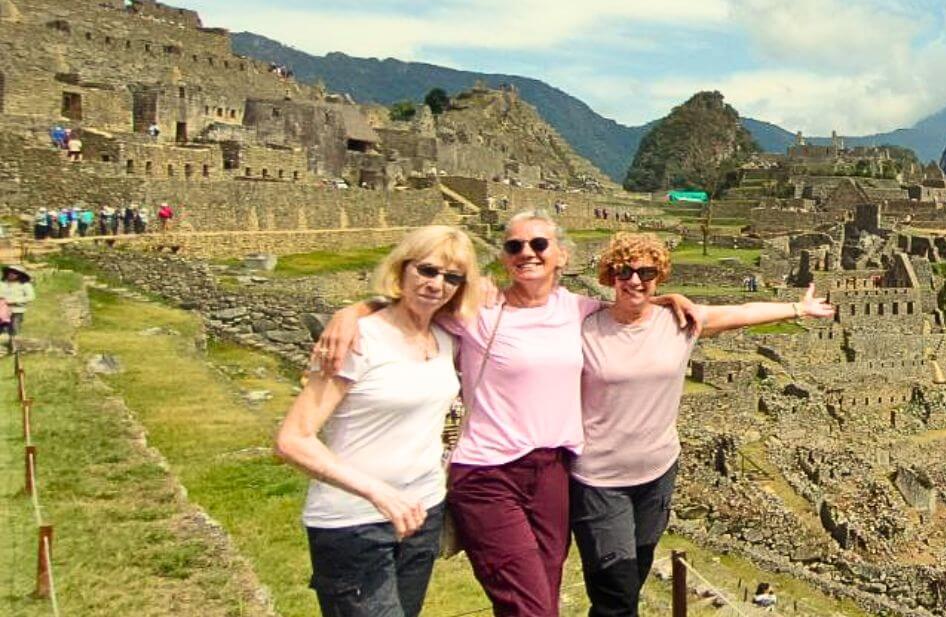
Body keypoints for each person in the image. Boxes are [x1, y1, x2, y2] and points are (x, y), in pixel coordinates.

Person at [314, 212, 699, 617]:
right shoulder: (478, 312)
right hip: (488, 473)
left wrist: (667, 299)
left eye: (538, 244)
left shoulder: (578, 308)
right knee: (533, 608)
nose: (526, 253)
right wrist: (353, 311)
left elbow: (630, 303)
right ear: (503, 257)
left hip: (552, 474)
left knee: (539, 597)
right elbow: (411, 306)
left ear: (561, 256)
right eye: (514, 246)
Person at [570, 232, 833, 616]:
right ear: (610, 275)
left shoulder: (680, 321)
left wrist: (797, 307)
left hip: (656, 475)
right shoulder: (584, 326)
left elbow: (739, 314)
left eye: (646, 272)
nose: (635, 280)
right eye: (624, 271)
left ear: (659, 276)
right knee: (617, 594)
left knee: (633, 579)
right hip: (598, 481)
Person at [275, 226, 483, 617]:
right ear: (402, 269)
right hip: (355, 521)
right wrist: (377, 492)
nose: (437, 284)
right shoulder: (357, 341)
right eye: (427, 270)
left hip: (422, 514)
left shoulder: (446, 339)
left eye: (451, 277)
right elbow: (292, 439)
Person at [1, 266, 36, 352]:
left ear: (20, 275)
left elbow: (31, 297)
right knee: (2, 329)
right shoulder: (2, 283)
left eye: (15, 273)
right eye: (11, 272)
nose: (12, 274)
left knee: (14, 328)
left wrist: (14, 301)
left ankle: (14, 347)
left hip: (16, 310)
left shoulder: (25, 285)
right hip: (2, 310)